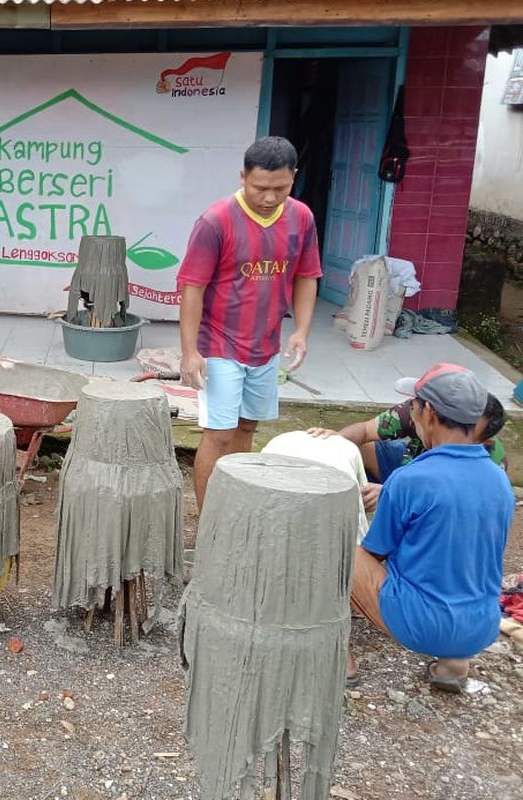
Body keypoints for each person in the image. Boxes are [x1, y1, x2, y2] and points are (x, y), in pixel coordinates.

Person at [347, 364, 513, 692]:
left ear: (430, 413)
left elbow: (374, 554)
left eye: (416, 405)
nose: (412, 410)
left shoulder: (410, 479)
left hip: (423, 625)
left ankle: (340, 659)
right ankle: (452, 668)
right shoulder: (500, 481)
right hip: (482, 625)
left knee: (339, 552)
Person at [177, 136, 322, 510]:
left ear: (294, 178)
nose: (270, 197)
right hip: (220, 343)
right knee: (219, 432)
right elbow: (192, 288)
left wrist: (302, 331)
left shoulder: (302, 218)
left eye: (281, 188)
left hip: (266, 345)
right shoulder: (216, 220)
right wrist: (189, 352)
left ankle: (234, 507)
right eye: (260, 187)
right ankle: (210, 518)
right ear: (243, 177)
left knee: (247, 427)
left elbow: (307, 275)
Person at [308, 391, 507, 511]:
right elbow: (365, 430)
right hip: (409, 462)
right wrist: (336, 443)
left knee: (356, 557)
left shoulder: (491, 469)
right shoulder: (419, 409)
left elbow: (450, 502)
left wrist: (394, 493)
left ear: (485, 442)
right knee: (353, 448)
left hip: (435, 491)